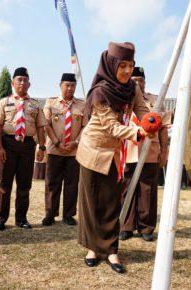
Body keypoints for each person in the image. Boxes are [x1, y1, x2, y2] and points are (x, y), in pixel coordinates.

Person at [76, 42, 150, 274]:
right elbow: (111, 127)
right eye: (122, 66)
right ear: (111, 65)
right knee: (91, 203)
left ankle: (111, 250)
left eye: (131, 66)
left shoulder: (131, 88)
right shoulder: (100, 91)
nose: (127, 71)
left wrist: (150, 121)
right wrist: (137, 132)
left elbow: (142, 109)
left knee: (111, 202)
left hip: (114, 153)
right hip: (93, 150)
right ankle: (92, 248)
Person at [0, 67, 47, 230]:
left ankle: (21, 218)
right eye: (19, 80)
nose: (22, 83)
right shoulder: (4, 102)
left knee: (24, 184)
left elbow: (40, 127)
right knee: (4, 183)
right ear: (13, 83)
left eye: (25, 80)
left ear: (29, 84)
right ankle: (1, 218)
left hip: (27, 145)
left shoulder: (35, 105)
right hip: (8, 144)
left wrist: (42, 147)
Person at [120, 67, 170, 242]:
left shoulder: (156, 101)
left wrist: (165, 151)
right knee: (126, 189)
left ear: (145, 81)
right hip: (127, 149)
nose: (137, 83)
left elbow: (163, 129)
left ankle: (146, 227)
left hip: (150, 150)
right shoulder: (122, 97)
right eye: (134, 79)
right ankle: (125, 226)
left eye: (140, 80)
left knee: (147, 190)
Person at [42, 73, 86, 226]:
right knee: (52, 183)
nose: (70, 88)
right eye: (67, 85)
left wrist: (75, 142)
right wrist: (56, 143)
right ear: (60, 85)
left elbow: (86, 127)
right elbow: (46, 124)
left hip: (74, 151)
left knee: (71, 184)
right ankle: (50, 213)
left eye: (72, 85)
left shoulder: (82, 105)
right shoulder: (51, 103)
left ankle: (68, 214)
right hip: (55, 150)